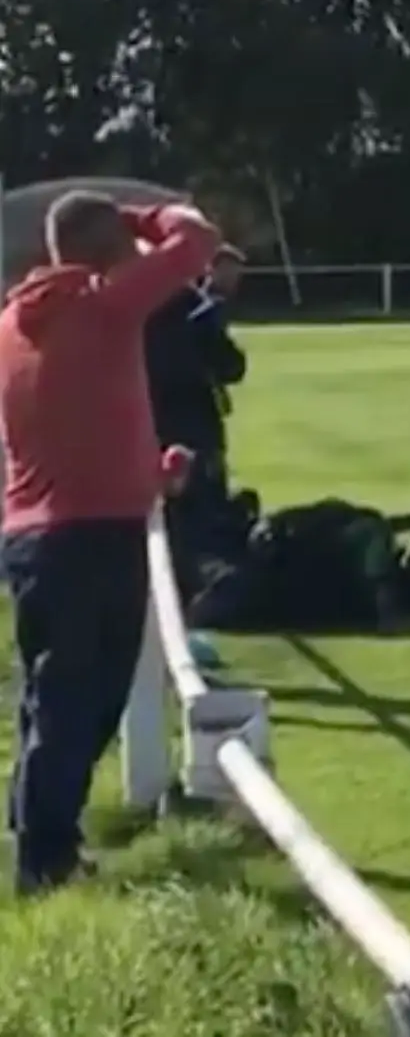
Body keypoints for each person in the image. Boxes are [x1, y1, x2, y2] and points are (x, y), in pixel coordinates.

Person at [2, 192, 219, 896]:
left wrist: (151, 474)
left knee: (52, 697)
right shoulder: (104, 305)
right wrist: (138, 217)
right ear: (110, 252)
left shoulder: (12, 324)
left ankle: (38, 833)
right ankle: (45, 862)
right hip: (93, 538)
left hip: (35, 536)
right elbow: (195, 240)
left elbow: (64, 424)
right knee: (84, 703)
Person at [145, 245, 247, 597]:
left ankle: (166, 581)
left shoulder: (128, 308)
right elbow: (231, 366)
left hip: (149, 419)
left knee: (163, 508)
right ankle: (206, 582)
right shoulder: (194, 308)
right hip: (195, 421)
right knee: (202, 506)